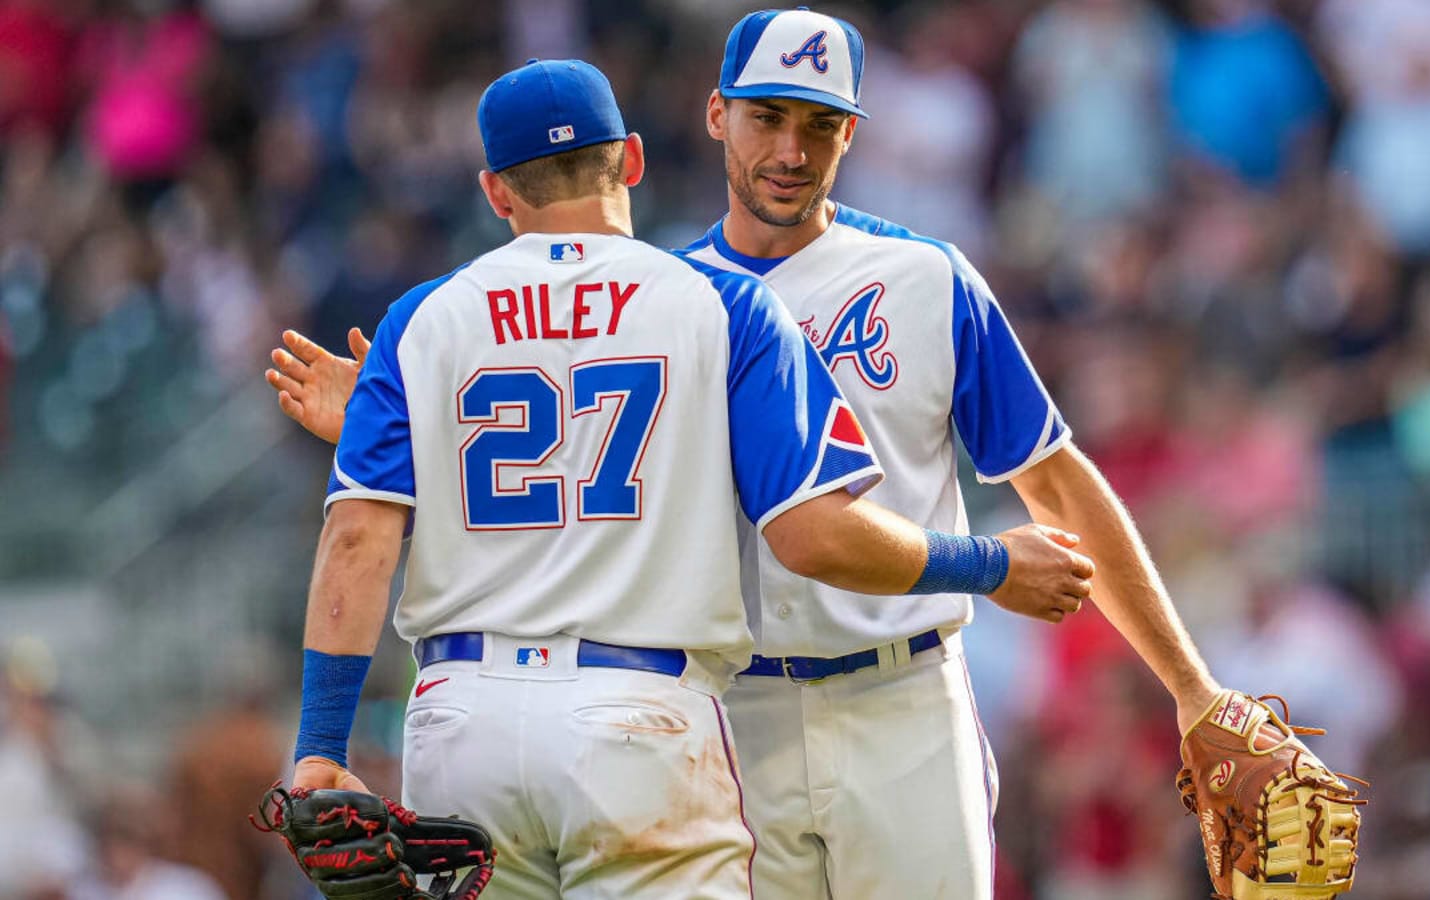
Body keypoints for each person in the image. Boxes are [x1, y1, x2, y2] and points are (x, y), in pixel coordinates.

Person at [271, 12, 1223, 897]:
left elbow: (1056, 479)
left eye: (820, 123)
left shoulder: (928, 280)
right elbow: (581, 489)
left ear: (855, 130)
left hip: (904, 693)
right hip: (731, 712)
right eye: (767, 117)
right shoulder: (681, 299)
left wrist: (1193, 691)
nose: (790, 149)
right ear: (713, 117)